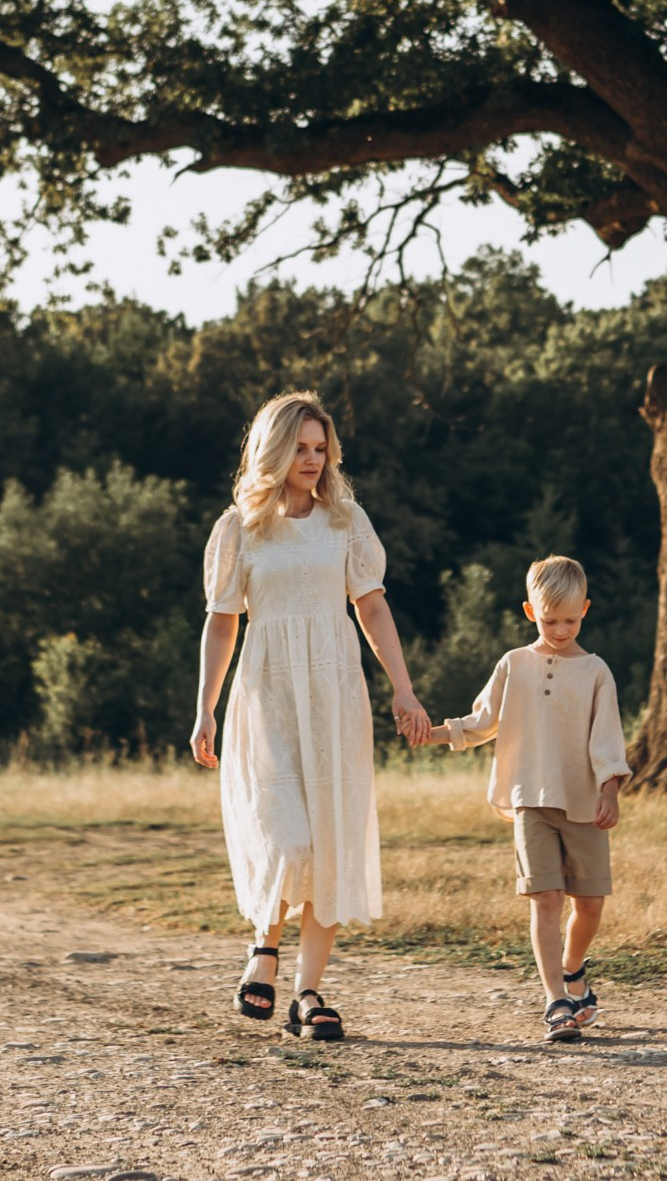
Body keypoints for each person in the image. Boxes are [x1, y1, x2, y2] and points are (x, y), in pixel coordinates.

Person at [191, 391, 433, 1041]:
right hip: (267, 691)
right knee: (285, 834)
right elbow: (221, 623)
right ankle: (263, 948)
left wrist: (403, 690)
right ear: (271, 449)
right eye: (299, 447)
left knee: (328, 840)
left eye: (320, 447)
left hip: (334, 695)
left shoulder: (345, 520)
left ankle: (309, 991)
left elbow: (373, 607)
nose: (312, 458)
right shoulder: (239, 527)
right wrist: (204, 708)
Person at [427, 554, 630, 1042]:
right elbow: (482, 721)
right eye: (548, 619)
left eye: (570, 619)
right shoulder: (513, 664)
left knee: (591, 904)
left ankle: (574, 969)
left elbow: (606, 740)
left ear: (586, 609)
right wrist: (430, 734)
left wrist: (610, 790)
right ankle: (556, 1000)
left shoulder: (597, 671)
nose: (560, 629)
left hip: (583, 803)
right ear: (528, 611)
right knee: (546, 900)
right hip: (530, 801)